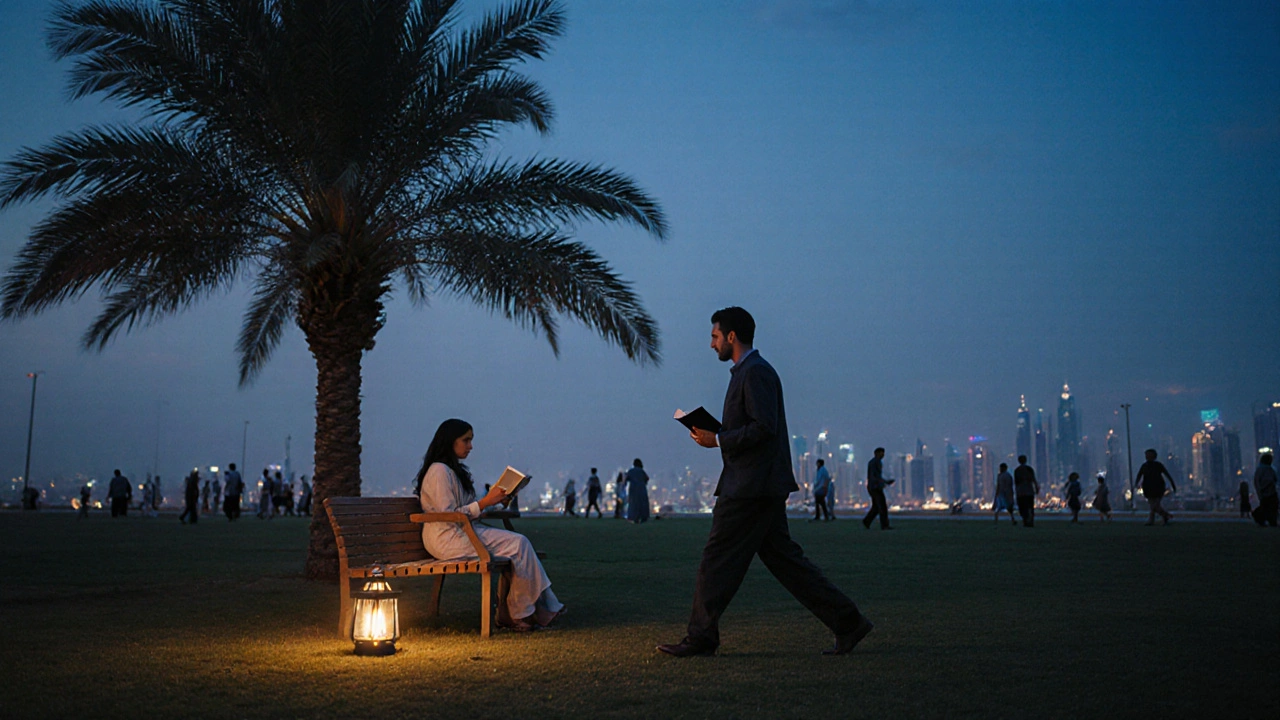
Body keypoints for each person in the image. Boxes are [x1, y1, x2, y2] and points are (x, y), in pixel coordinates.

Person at [659, 306, 871, 657]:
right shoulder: (748, 372)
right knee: (787, 563)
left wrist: (719, 440)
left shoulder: (755, 372)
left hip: (750, 488)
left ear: (731, 336)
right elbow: (757, 427)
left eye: (714, 336)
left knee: (716, 560)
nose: (711, 345)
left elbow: (764, 427)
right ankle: (849, 622)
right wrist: (719, 434)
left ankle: (701, 637)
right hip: (758, 486)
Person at [415, 419, 564, 631]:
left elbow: (465, 511)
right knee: (518, 544)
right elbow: (448, 515)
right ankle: (523, 612)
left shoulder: (452, 471)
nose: (470, 446)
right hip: (446, 538)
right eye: (466, 440)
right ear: (450, 441)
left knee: (517, 545)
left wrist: (493, 502)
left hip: (462, 532)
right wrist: (485, 502)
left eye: (471, 441)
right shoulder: (439, 471)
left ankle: (527, 610)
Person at [1135, 449, 1176, 526]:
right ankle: (1165, 516)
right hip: (1149, 488)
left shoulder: (1157, 465)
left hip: (1157, 487)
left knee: (1154, 505)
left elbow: (1167, 474)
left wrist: (1172, 485)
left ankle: (1154, 519)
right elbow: (1139, 475)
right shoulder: (1146, 466)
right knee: (1153, 505)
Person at [862, 448, 893, 530]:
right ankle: (884, 525)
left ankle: (867, 521)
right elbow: (875, 476)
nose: (883, 454)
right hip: (875, 487)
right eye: (881, 453)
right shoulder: (875, 462)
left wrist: (884, 482)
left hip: (873, 487)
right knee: (882, 507)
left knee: (876, 507)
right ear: (876, 453)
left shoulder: (874, 462)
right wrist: (883, 482)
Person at [1013, 455, 1039, 527]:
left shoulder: (1017, 470)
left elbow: (1016, 483)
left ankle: (1026, 521)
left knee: (1022, 507)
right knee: (1030, 507)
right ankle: (1030, 521)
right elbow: (1034, 480)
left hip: (1021, 492)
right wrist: (1036, 488)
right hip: (1029, 491)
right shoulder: (1029, 469)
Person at [1252, 452, 1277, 527]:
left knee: (1266, 507)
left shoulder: (1260, 469)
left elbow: (1256, 481)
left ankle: (1264, 519)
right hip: (1269, 492)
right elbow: (1274, 479)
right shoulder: (1270, 469)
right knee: (1270, 507)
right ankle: (1269, 520)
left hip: (1265, 492)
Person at [625, 459, 649, 523]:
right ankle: (643, 517)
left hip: (633, 489)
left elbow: (626, 479)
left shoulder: (631, 471)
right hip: (642, 488)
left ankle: (634, 517)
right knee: (642, 503)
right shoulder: (641, 471)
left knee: (633, 503)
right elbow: (647, 478)